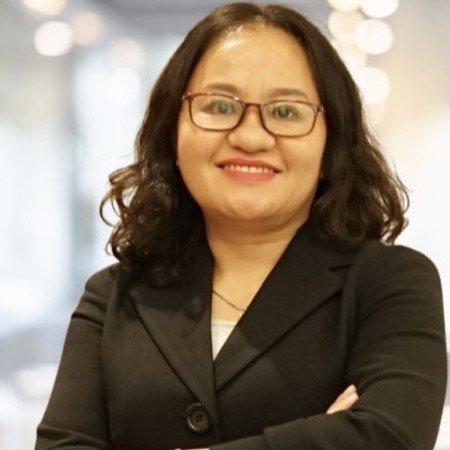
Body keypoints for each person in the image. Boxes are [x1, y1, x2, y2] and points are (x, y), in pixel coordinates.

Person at [35, 3, 446, 450]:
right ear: (172, 134)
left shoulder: (390, 284)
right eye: (219, 106)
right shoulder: (113, 296)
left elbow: (388, 438)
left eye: (286, 111)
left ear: (331, 147)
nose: (250, 137)